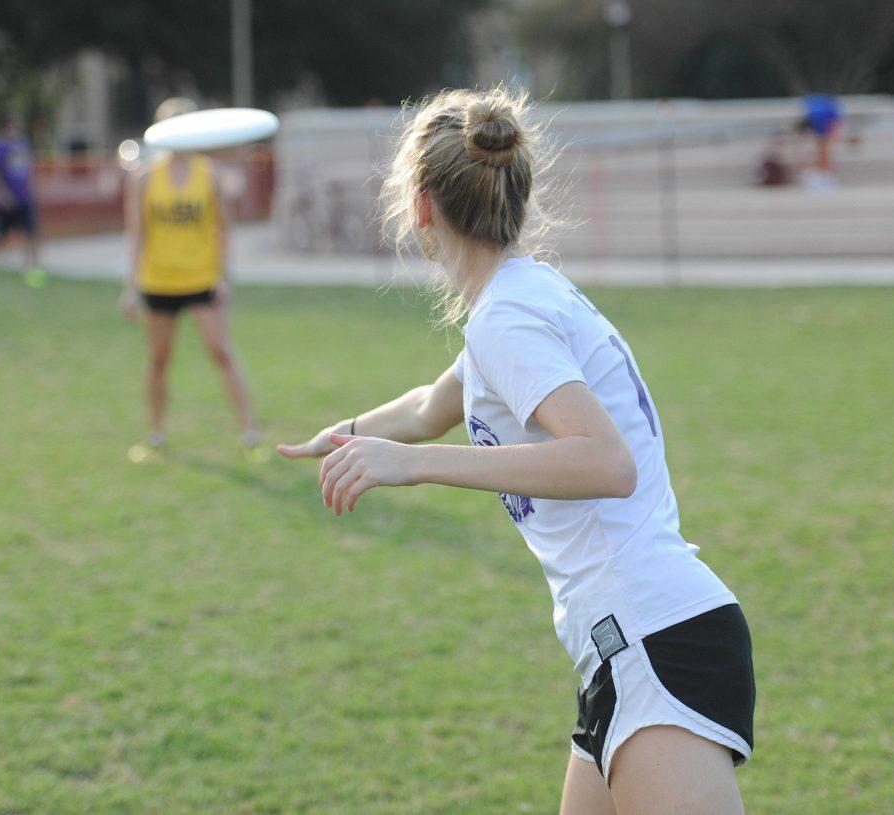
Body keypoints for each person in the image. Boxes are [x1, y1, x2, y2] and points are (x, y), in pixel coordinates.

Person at [279, 88, 755, 815]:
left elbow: (605, 461)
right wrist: (341, 434)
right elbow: (427, 406)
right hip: (625, 644)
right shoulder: (519, 302)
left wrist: (414, 465)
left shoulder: (509, 316)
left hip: (653, 635)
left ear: (421, 206)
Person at [119, 97, 263, 462]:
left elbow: (222, 230)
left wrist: (223, 277)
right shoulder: (144, 178)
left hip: (202, 280)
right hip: (158, 282)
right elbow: (137, 234)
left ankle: (250, 434)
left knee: (221, 351)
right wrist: (130, 287)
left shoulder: (210, 175)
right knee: (158, 359)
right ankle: (155, 435)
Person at [0, 118, 44, 287]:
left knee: (31, 233)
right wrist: (1, 195)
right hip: (5, 201)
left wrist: (33, 191)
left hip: (24, 199)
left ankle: (31, 269)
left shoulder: (23, 144)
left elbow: (28, 172)